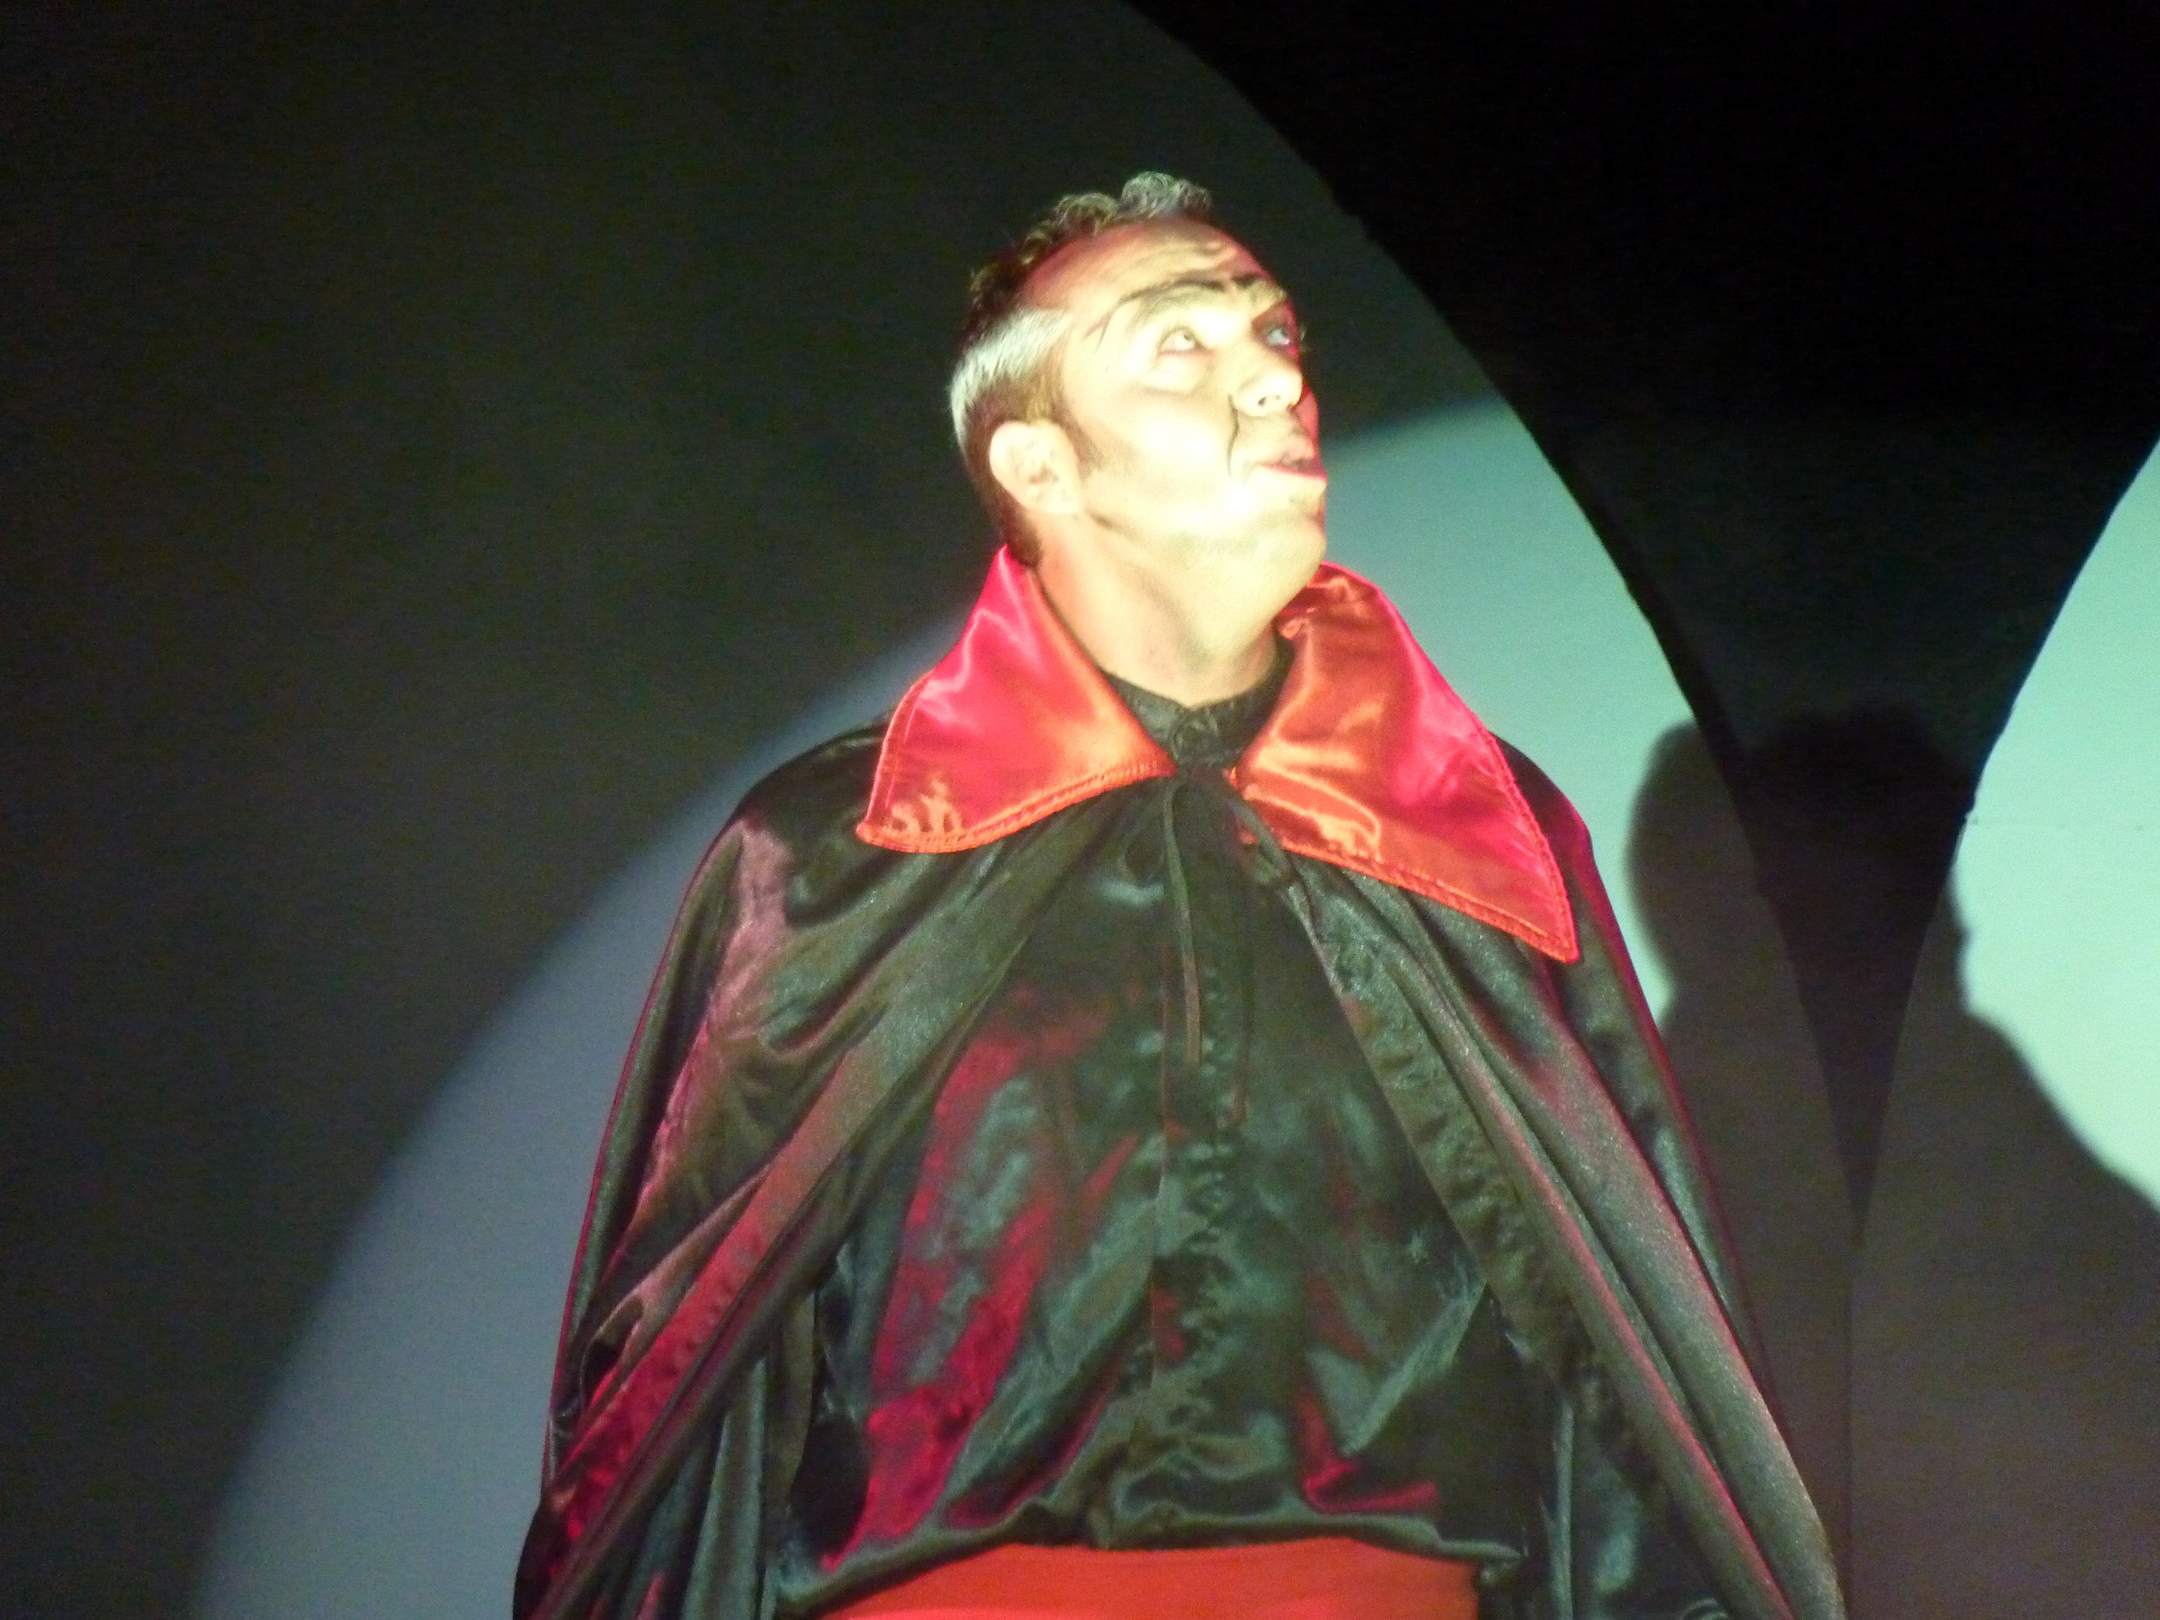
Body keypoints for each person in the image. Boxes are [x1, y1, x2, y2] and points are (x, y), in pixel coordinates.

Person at [514, 175, 1844, 1620]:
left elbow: (1625, 1368)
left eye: (1275, 333)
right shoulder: (842, 853)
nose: (1274, 378)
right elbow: (681, 1380)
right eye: (1180, 345)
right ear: (1042, 464)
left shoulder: (1459, 827)